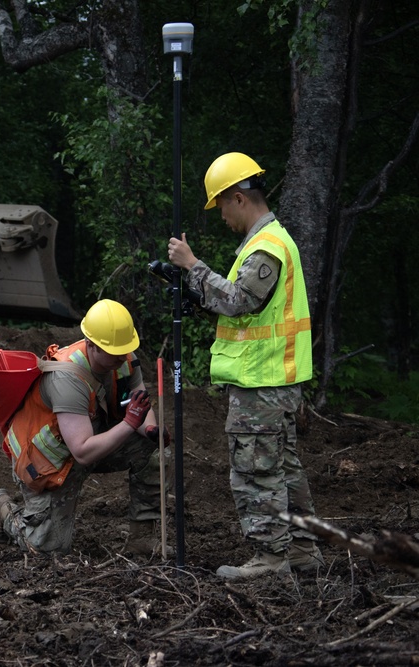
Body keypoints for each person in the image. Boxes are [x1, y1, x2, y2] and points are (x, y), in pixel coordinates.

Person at [166, 152, 322, 579]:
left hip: (262, 383)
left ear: (238, 198)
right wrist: (198, 294)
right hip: (271, 380)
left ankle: (270, 559)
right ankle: (303, 552)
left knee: (256, 472)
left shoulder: (266, 247)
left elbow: (239, 301)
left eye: (219, 205)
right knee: (283, 468)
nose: (220, 216)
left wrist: (193, 266)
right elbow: (247, 310)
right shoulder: (265, 243)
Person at [0, 299, 172, 556]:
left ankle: (142, 537)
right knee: (46, 549)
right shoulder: (67, 378)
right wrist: (130, 423)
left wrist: (151, 431)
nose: (122, 357)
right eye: (114, 351)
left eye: (125, 349)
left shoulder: (124, 358)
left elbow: (137, 404)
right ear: (92, 345)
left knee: (153, 450)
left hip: (94, 439)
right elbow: (82, 451)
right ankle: (4, 510)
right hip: (50, 461)